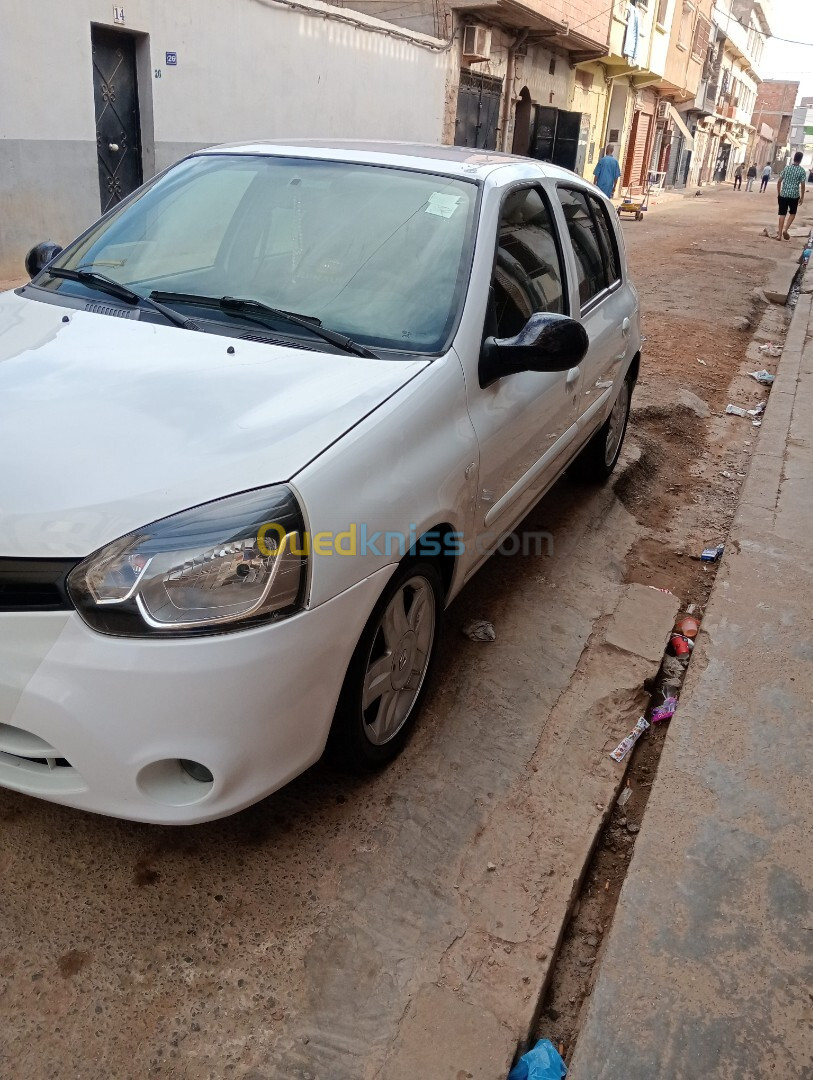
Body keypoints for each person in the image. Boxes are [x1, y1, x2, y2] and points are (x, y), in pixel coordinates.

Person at [774, 151, 807, 241]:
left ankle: (779, 235)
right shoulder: (802, 171)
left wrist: (779, 193)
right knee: (792, 213)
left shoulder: (787, 168)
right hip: (794, 195)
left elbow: (779, 181)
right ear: (800, 160)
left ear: (794, 158)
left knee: (782, 214)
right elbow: (803, 185)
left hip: (783, 194)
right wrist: (802, 197)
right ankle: (785, 229)